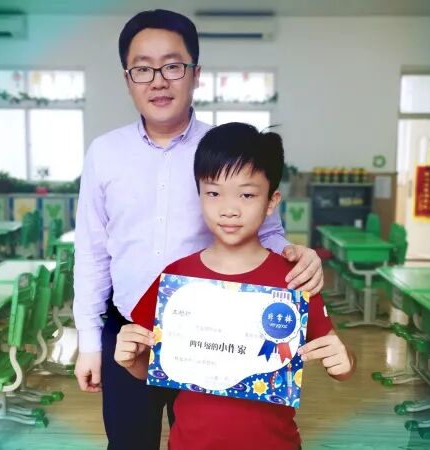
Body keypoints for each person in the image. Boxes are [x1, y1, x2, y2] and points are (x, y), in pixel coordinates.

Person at [73, 9, 325, 450]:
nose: (158, 81)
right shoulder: (104, 153)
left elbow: (267, 235)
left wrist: (296, 257)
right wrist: (89, 343)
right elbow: (93, 253)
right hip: (131, 330)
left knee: (208, 440)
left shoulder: (223, 150)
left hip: (213, 335)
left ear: (195, 73)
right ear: (127, 78)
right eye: (142, 69)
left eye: (172, 66)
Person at [115, 122, 356, 450]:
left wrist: (344, 362)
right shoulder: (176, 278)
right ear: (199, 196)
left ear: (271, 202)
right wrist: (132, 360)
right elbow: (152, 368)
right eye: (213, 193)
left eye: (246, 194)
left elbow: (339, 363)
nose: (229, 210)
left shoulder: (294, 279)